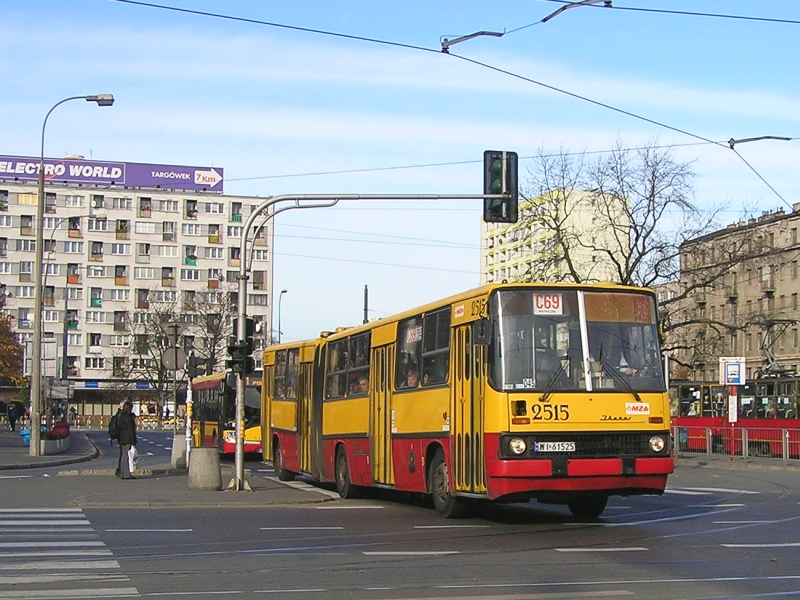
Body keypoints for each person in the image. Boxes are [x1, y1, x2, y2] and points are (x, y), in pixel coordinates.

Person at [117, 400, 138, 480]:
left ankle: (123, 473)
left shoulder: (121, 416)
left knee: (123, 456)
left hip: (122, 438)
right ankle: (127, 474)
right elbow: (130, 430)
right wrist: (133, 441)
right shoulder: (128, 417)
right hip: (128, 438)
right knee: (128, 457)